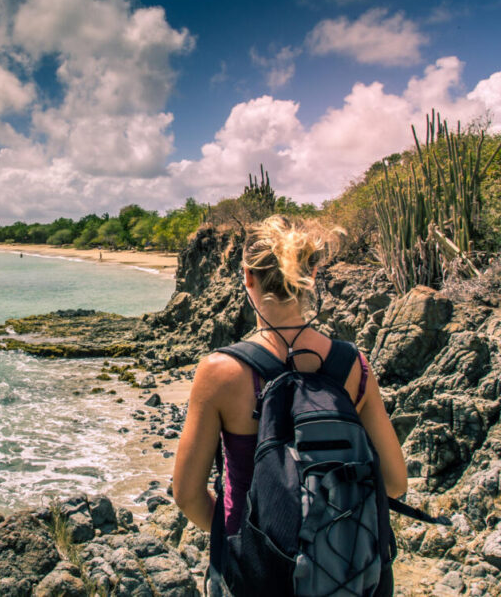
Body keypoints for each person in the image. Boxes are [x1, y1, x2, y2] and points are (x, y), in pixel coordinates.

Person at [172, 215, 408, 592]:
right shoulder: (353, 365)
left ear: (247, 276)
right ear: (312, 273)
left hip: (256, 574)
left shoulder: (220, 372)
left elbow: (187, 495)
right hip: (342, 570)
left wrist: (247, 535)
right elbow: (394, 483)